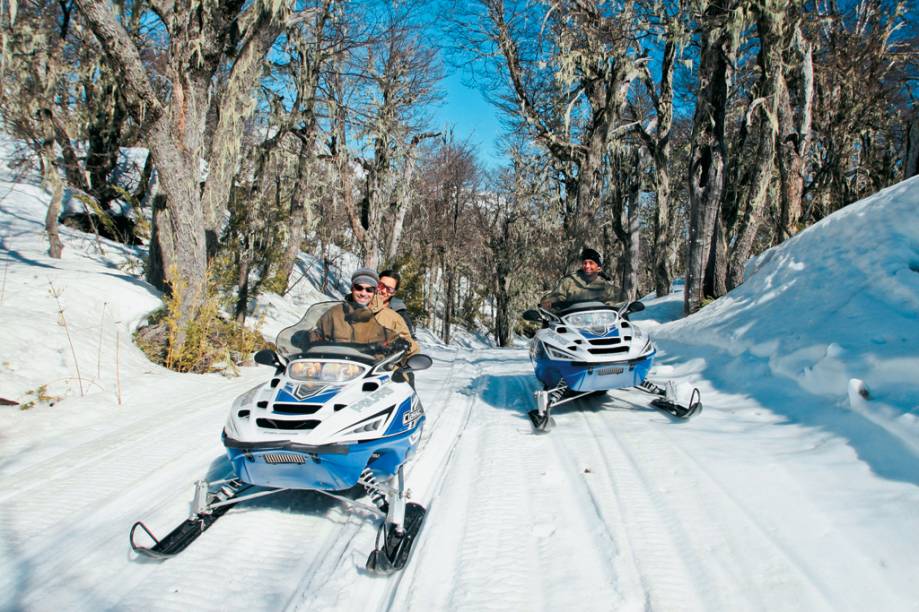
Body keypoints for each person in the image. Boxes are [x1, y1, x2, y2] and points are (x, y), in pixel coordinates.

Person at [312, 267, 419, 356]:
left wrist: (402, 346)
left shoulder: (393, 318)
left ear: (374, 290)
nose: (363, 293)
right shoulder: (335, 313)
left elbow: (411, 349)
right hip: (340, 369)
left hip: (377, 371)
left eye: (369, 290)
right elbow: (315, 336)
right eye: (359, 288)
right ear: (352, 288)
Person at [540, 247, 620, 310]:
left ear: (598, 268)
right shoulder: (568, 282)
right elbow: (557, 297)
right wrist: (549, 302)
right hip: (571, 323)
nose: (587, 266)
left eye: (591, 263)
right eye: (585, 263)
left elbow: (614, 304)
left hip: (599, 323)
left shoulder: (606, 287)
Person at [378, 270, 415, 338]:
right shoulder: (363, 301)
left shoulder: (400, 313)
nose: (383, 291)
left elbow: (409, 339)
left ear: (394, 293)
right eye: (381, 285)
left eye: (389, 289)